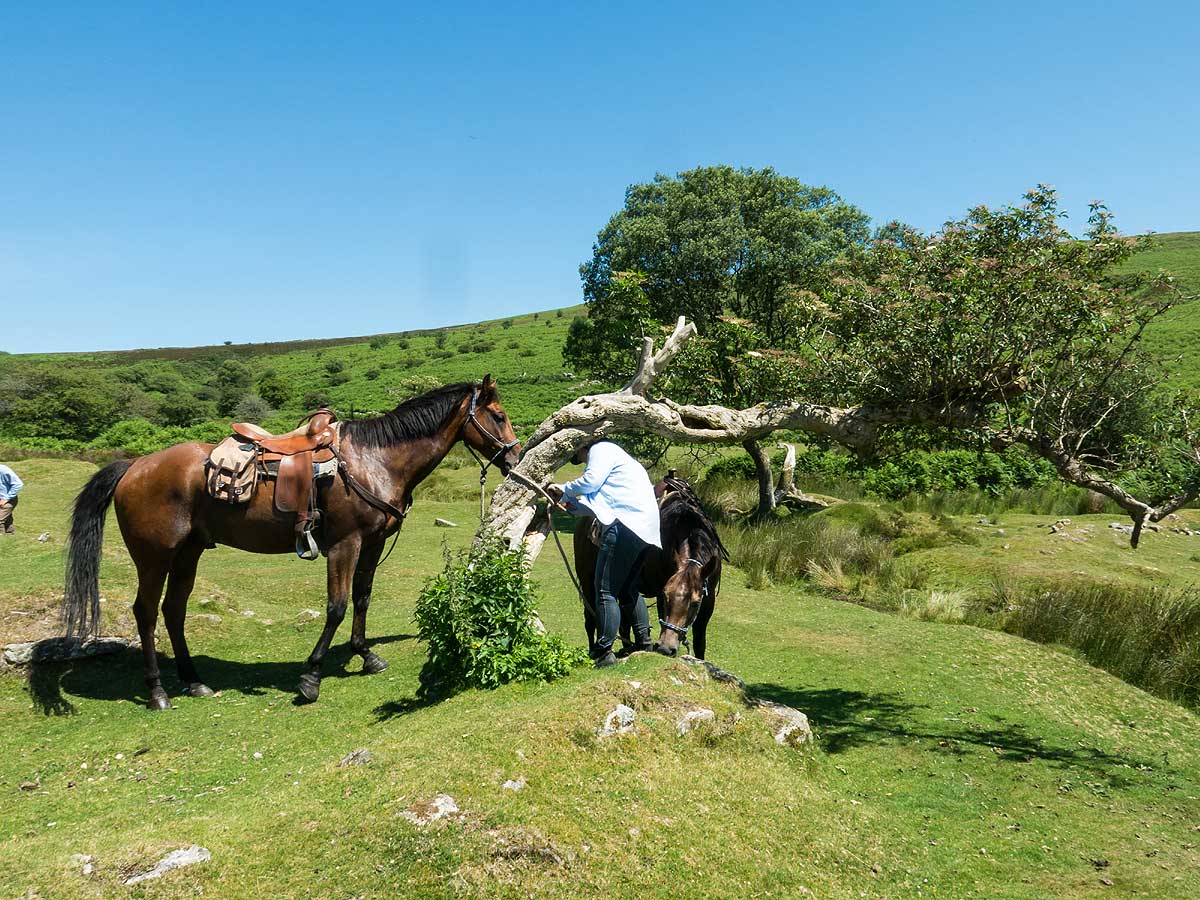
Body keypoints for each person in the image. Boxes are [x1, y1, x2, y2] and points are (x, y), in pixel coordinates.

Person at [548, 439, 660, 668]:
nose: (580, 460)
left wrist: (564, 488)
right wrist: (564, 501)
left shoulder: (601, 449)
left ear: (581, 446)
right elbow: (591, 507)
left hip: (623, 526)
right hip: (644, 530)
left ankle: (604, 652)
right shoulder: (620, 460)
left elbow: (590, 482)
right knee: (629, 588)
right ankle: (644, 643)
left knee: (605, 589)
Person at [0, 463, 23, 535]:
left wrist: (6, 499)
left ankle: (2, 537)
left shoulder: (3, 470)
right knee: (7, 518)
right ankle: (10, 534)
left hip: (8, 500)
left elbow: (18, 484)